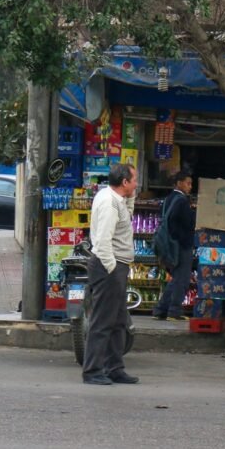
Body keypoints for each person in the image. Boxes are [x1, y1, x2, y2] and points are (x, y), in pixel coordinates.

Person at [83, 163, 139, 385]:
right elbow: (103, 241)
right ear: (124, 182)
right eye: (134, 180)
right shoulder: (109, 203)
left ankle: (114, 367)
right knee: (103, 321)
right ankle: (93, 370)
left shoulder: (116, 200)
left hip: (115, 265)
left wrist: (131, 197)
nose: (137, 184)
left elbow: (127, 219)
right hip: (109, 266)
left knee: (118, 321)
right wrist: (113, 269)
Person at [154, 170, 195, 321]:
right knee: (182, 278)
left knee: (176, 277)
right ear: (179, 183)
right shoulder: (182, 201)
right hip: (181, 244)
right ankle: (174, 311)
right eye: (188, 183)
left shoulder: (168, 199)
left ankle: (160, 310)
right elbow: (188, 223)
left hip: (169, 244)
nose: (190, 186)